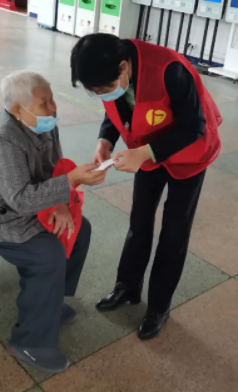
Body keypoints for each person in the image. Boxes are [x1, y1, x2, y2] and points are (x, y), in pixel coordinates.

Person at [0, 71, 106, 374]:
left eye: (52, 99)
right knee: (46, 254)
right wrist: (71, 182)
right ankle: (30, 342)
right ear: (17, 109)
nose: (53, 108)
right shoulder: (2, 140)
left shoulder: (43, 124)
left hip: (20, 202)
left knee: (79, 229)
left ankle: (51, 302)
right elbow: (20, 200)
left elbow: (54, 168)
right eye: (44, 103)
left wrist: (61, 202)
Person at [70, 34, 222, 340]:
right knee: (139, 221)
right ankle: (127, 286)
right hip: (146, 151)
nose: (103, 94)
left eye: (105, 88)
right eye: (96, 92)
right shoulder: (110, 71)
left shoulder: (169, 69)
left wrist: (145, 153)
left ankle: (159, 307)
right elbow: (115, 108)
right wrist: (105, 140)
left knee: (174, 232)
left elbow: (193, 126)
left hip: (189, 153)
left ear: (123, 67)